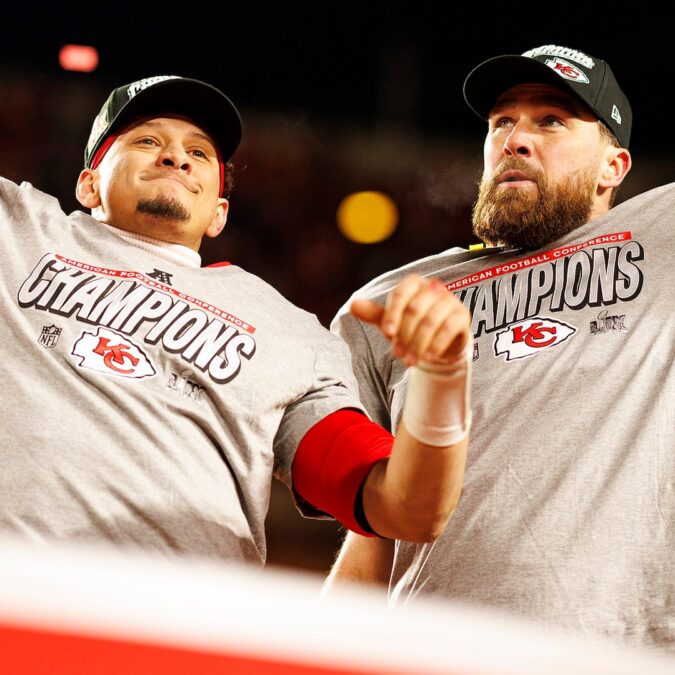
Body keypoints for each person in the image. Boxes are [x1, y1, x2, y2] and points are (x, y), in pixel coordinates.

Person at [0, 75, 473, 564]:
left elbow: (405, 509)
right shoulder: (19, 228)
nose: (176, 157)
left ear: (218, 214)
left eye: (199, 153)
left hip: (174, 605)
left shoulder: (287, 332)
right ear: (88, 184)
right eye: (147, 141)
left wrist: (440, 383)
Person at [325, 44, 675, 654]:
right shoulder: (395, 301)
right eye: (502, 122)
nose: (515, 140)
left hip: (620, 652)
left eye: (551, 121)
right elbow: (376, 526)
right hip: (429, 650)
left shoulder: (664, 236)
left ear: (613, 166)